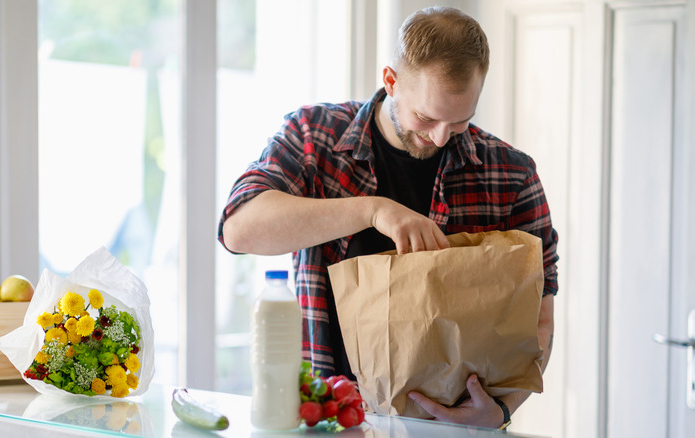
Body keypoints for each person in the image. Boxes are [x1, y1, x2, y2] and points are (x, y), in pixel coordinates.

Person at [218, 6, 558, 430]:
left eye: (460, 122)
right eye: (426, 117)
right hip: (326, 418)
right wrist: (372, 209)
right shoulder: (314, 136)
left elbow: (539, 317)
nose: (439, 137)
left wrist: (503, 407)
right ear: (391, 80)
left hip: (456, 429)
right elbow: (238, 228)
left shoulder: (511, 174)